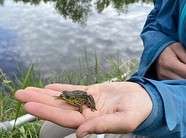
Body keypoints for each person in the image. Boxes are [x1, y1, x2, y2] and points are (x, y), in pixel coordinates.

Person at [15, 0, 186, 138]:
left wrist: (159, 104)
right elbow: (157, 16)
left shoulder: (76, 100)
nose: (64, 97)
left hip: (167, 112)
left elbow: (81, 101)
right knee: (48, 131)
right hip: (146, 81)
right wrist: (159, 46)